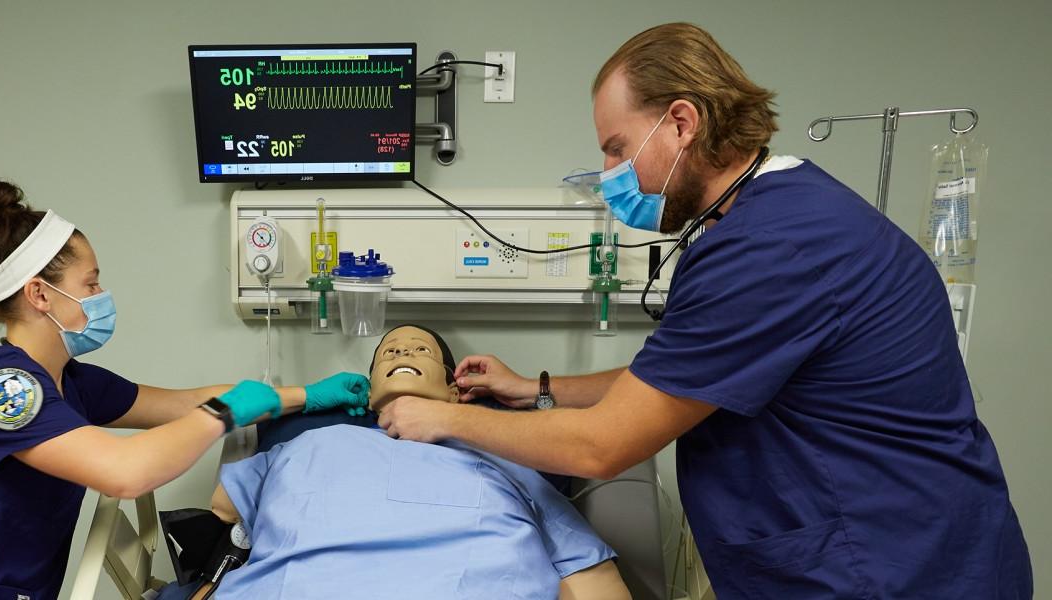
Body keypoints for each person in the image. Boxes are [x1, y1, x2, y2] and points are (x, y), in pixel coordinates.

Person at [377, 24, 1032, 598]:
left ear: (682, 123)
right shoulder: (775, 217)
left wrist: (440, 419)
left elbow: (604, 446)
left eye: (615, 146)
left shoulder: (771, 250)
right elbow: (682, 376)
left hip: (887, 568)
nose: (609, 171)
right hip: (889, 545)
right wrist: (536, 390)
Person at [0, 180, 369, 600]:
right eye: (91, 283)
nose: (102, 295)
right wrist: (225, 412)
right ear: (40, 294)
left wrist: (307, 395)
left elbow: (179, 403)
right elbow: (127, 472)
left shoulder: (72, 382)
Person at [172, 325, 629, 600]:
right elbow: (225, 519)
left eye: (420, 351)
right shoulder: (310, 443)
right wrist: (300, 400)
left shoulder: (506, 450)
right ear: (368, 392)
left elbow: (588, 573)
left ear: (456, 388)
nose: (402, 354)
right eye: (388, 353)